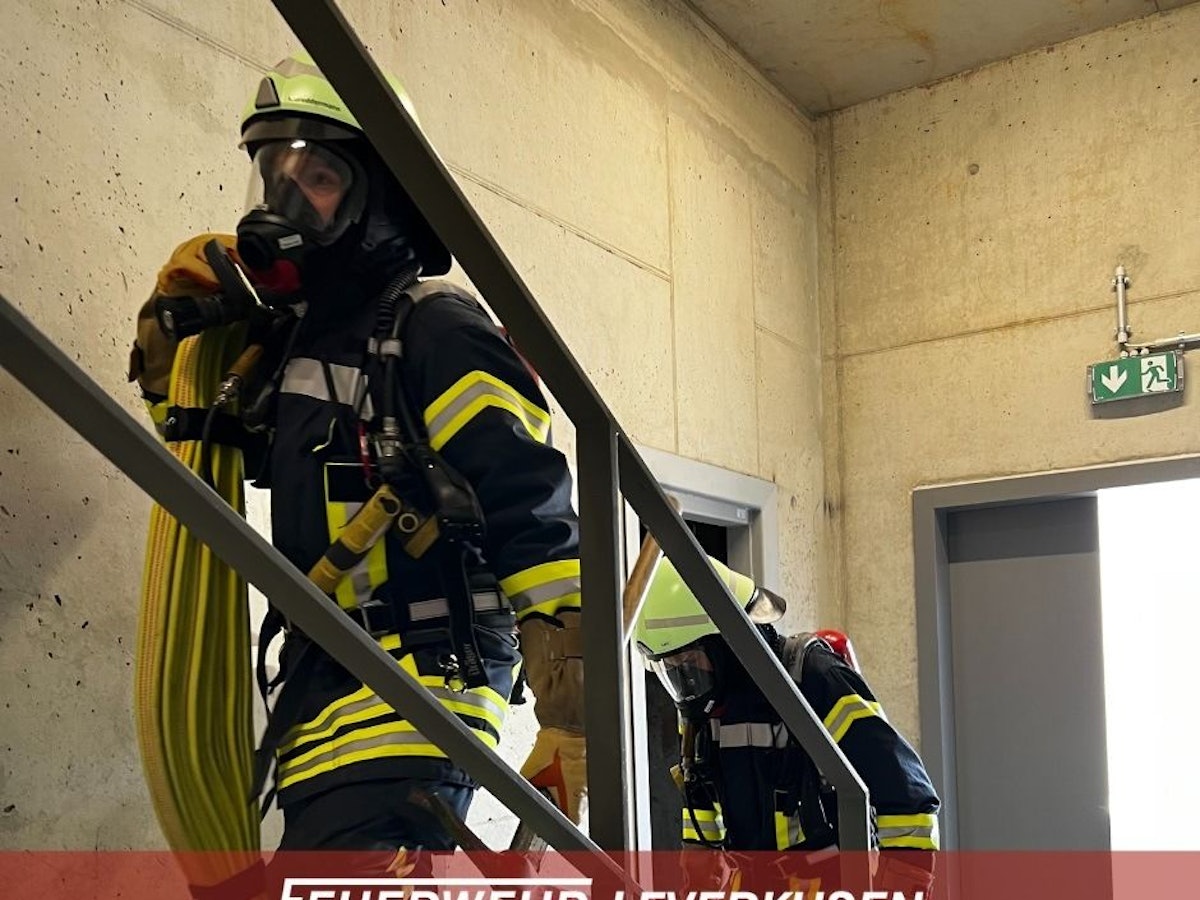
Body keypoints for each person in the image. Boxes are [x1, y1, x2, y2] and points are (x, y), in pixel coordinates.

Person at [130, 52, 587, 858]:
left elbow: (527, 496)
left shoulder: (435, 328)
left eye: (318, 178)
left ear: (386, 200)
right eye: (272, 175)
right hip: (320, 710)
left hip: (414, 696)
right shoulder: (296, 352)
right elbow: (212, 462)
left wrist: (576, 706)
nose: (282, 201)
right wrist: (175, 357)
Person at [632, 556, 939, 892]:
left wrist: (901, 887)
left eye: (690, 662)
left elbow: (906, 796)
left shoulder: (813, 680)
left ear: (725, 644)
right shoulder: (705, 709)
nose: (685, 681)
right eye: (670, 668)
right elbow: (700, 799)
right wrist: (698, 874)